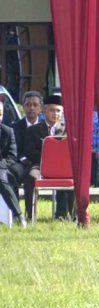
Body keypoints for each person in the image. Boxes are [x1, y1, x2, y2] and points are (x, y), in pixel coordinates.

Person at [22, 94, 72, 220]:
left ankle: (64, 214)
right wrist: (48, 159)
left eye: (58, 111)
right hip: (39, 165)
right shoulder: (32, 130)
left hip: (61, 167)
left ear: (62, 112)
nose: (55, 114)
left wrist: (57, 161)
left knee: (72, 176)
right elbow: (29, 151)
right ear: (44, 111)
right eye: (51, 110)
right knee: (30, 177)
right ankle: (30, 214)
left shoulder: (68, 130)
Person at [13, 90, 42, 219]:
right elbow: (14, 150)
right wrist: (23, 160)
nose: (32, 108)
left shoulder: (44, 127)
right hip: (22, 163)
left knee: (30, 178)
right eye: (28, 104)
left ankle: (30, 215)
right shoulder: (16, 127)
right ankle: (14, 213)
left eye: (35, 105)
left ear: (40, 108)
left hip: (39, 164)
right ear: (23, 106)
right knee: (10, 175)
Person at [0, 104, 26, 227]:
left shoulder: (8, 131)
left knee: (2, 178)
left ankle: (18, 216)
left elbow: (11, 157)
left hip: (1, 168)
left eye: (0, 114)